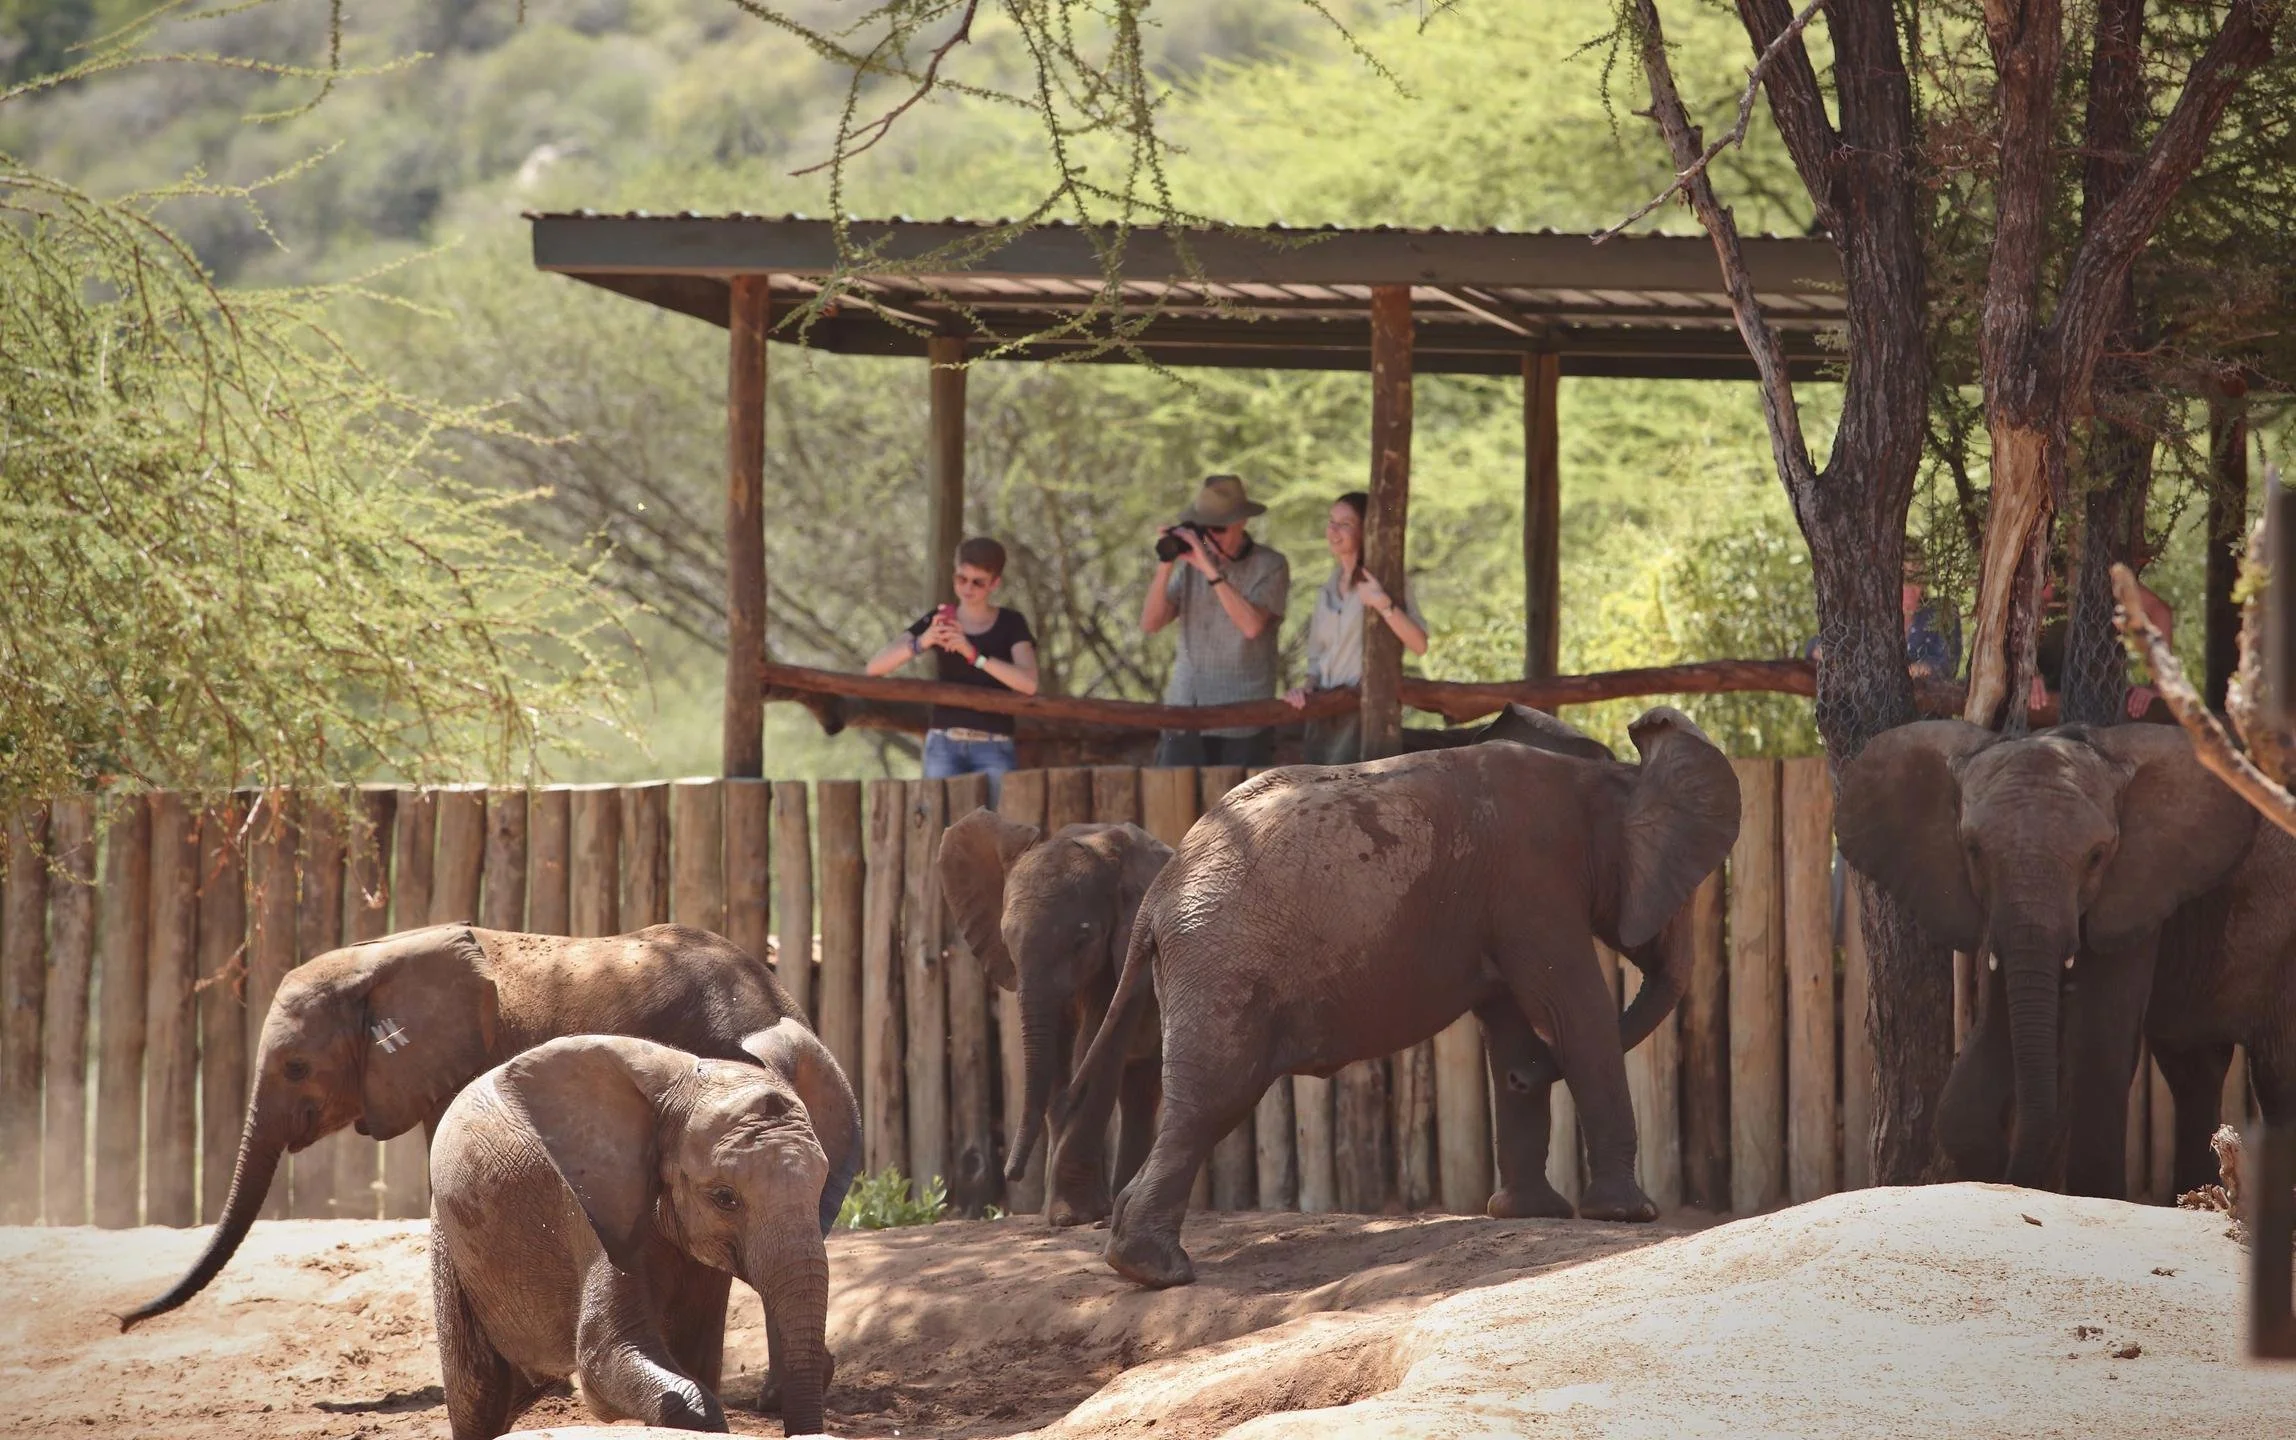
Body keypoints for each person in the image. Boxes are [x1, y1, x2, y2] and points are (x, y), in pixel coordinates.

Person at [1140, 474, 1290, 767]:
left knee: (1238, 809)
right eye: (1204, 529)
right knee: (1174, 806)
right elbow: (1150, 624)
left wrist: (1210, 570)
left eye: (1218, 529)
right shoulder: (1190, 566)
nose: (1210, 537)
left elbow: (1251, 626)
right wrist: (1165, 565)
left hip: (1242, 715)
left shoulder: (1270, 565)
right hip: (1185, 711)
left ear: (1242, 523)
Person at [865, 537, 1038, 786]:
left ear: (995, 583)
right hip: (943, 742)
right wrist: (923, 641)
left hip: (995, 743)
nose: (968, 588)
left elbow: (1029, 683)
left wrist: (974, 656)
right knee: (939, 823)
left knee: (995, 825)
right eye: (961, 579)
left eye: (978, 582)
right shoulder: (937, 618)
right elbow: (875, 667)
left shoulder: (1012, 623)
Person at [1282, 491, 1429, 764]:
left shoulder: (1386, 578)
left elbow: (1420, 644)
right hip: (1322, 716)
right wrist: (1304, 689)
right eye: (1331, 521)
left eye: (1345, 524)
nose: (1334, 530)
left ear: (1365, 530)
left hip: (1363, 718)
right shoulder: (1326, 588)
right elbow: (1316, 660)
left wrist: (1382, 603)